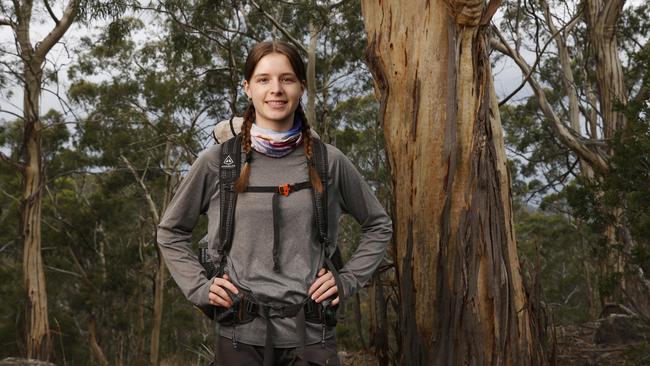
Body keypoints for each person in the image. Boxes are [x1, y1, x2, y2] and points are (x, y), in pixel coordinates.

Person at [157, 40, 392, 366]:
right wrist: (199, 287)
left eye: (287, 79)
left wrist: (346, 280)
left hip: (312, 339)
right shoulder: (218, 163)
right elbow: (170, 231)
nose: (276, 89)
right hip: (239, 337)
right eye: (264, 79)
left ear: (301, 87)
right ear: (248, 88)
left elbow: (378, 224)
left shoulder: (329, 162)